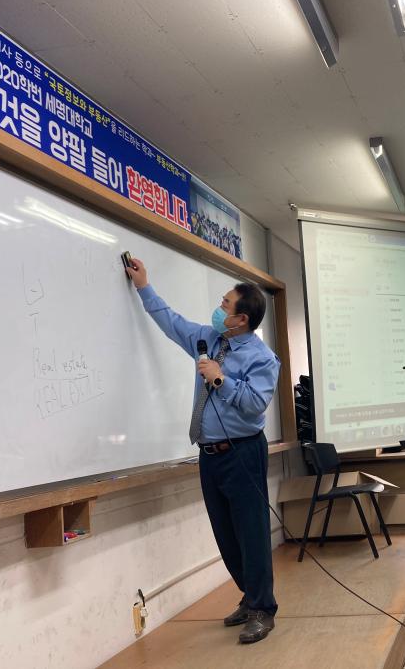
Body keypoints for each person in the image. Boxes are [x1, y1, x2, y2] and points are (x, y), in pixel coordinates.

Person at [126, 257, 281, 643]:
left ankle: (263, 608)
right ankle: (250, 596)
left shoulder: (262, 358)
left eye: (225, 304)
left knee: (251, 533)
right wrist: (144, 286)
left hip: (243, 452)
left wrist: (221, 379)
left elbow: (255, 404)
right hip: (209, 454)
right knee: (225, 534)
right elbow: (171, 322)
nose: (218, 307)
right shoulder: (210, 339)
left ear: (241, 319)